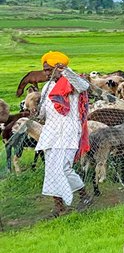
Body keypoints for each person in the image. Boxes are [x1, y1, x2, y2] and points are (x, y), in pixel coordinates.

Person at [35, 51, 92, 218]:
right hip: (51, 133)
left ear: (58, 68)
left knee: (64, 168)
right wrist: (36, 113)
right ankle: (59, 207)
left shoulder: (71, 83)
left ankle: (85, 197)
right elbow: (43, 113)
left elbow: (84, 86)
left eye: (48, 69)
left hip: (68, 132)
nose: (45, 73)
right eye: (44, 69)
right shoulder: (47, 87)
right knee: (51, 171)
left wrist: (66, 71)